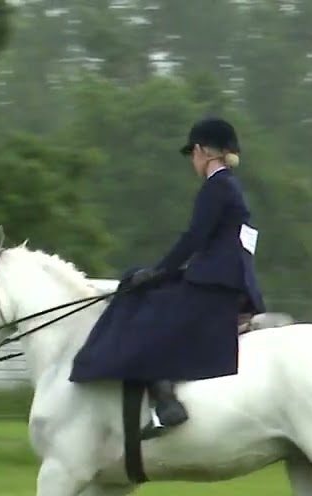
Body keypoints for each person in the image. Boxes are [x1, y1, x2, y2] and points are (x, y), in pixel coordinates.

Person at [69, 116, 267, 438]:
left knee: (146, 306)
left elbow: (193, 238)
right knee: (138, 282)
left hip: (215, 283)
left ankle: (166, 401)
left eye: (193, 153)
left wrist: (158, 273)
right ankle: (160, 393)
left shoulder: (216, 188)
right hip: (221, 277)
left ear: (202, 151)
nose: (192, 160)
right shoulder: (229, 187)